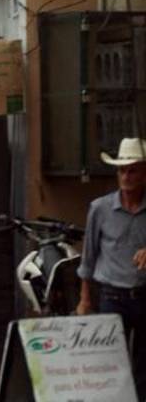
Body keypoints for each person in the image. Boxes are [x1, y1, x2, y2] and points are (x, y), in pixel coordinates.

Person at [76, 137, 146, 395]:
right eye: (121, 170)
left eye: (132, 170)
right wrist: (84, 300)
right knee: (111, 363)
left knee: (144, 366)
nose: (126, 176)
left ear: (144, 173)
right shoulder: (100, 208)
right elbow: (89, 256)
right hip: (112, 296)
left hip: (144, 295)